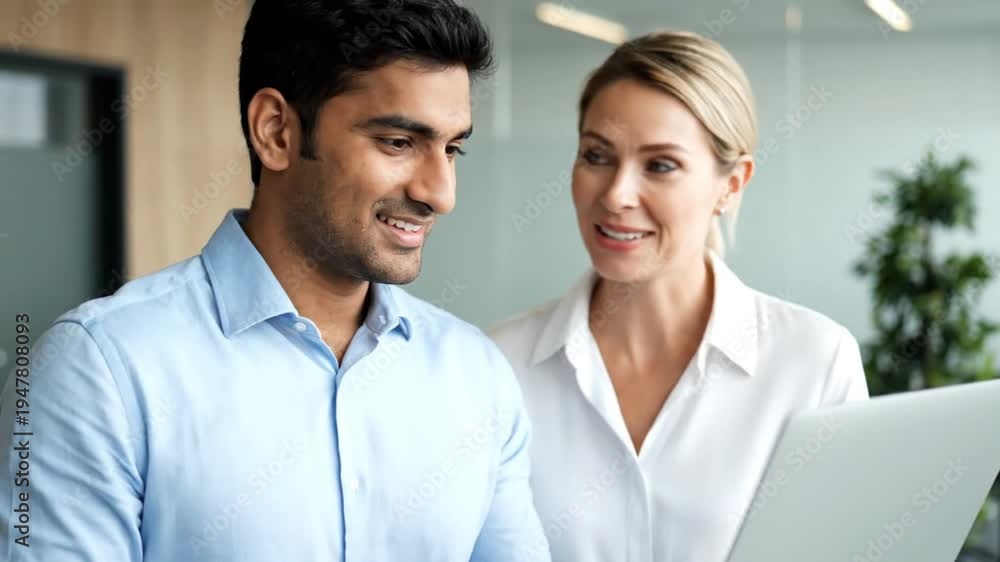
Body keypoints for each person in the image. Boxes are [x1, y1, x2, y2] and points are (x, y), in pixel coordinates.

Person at [0, 1, 550, 561]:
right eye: (398, 143)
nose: (441, 193)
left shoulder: (476, 375)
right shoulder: (100, 371)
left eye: (452, 148)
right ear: (276, 131)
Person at [489, 30, 869, 562]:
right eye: (596, 156)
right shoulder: (499, 363)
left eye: (660, 165)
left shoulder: (814, 361)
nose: (617, 194)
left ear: (731, 185)